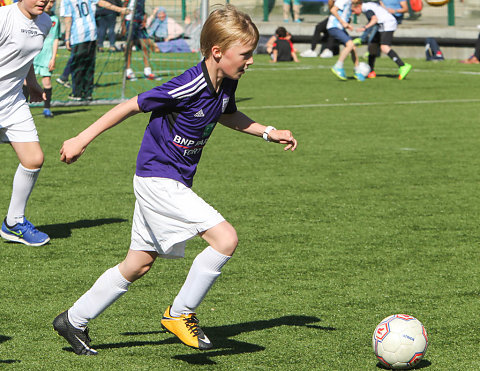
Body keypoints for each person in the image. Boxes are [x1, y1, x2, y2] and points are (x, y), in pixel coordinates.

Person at [52, 4, 297, 356]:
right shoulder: (188, 84)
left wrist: (267, 132)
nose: (251, 61)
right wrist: (81, 138)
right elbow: (130, 105)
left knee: (139, 263)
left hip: (173, 182)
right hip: (158, 179)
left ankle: (73, 320)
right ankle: (180, 313)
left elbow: (227, 114)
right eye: (244, 54)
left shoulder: (226, 83)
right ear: (217, 52)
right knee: (225, 239)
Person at [0, 0, 52, 246]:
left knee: (33, 160)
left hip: (12, 103)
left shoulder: (45, 22)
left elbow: (26, 57)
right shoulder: (4, 17)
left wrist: (31, 83)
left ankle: (13, 223)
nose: (43, 0)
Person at [62, 0, 128, 100]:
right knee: (89, 64)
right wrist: (119, 9)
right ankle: (88, 93)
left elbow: (68, 18)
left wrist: (67, 37)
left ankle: (77, 93)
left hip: (78, 34)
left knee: (78, 65)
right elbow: (102, 2)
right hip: (92, 32)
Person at [352, 0, 412, 80]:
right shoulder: (368, 5)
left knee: (384, 47)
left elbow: (374, 19)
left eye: (353, 10)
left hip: (387, 23)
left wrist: (364, 28)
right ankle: (371, 71)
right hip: (382, 24)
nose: (353, 13)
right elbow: (379, 3)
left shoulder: (367, 9)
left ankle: (403, 66)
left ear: (358, 6)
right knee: (372, 46)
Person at [33, 0, 60, 118]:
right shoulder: (35, 16)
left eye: (52, 2)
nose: (49, 4)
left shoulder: (55, 19)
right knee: (24, 81)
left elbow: (55, 39)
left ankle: (47, 108)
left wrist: (53, 58)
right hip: (33, 54)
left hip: (47, 55)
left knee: (47, 81)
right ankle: (22, 107)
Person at [327, 0, 364, 81]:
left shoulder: (350, 3)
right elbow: (333, 10)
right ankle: (338, 66)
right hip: (334, 26)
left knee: (352, 47)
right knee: (350, 44)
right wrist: (343, 23)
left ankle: (357, 71)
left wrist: (346, 25)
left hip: (339, 27)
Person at [124, 0, 155, 80]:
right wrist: (123, 24)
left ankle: (147, 70)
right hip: (130, 21)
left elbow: (142, 7)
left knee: (146, 45)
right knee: (129, 46)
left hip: (140, 21)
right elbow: (124, 6)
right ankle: (128, 70)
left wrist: (144, 17)